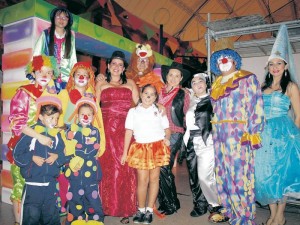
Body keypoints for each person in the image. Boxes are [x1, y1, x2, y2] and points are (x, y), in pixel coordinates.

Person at [210, 48, 264, 225]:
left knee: (239, 175)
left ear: (235, 61)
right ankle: (227, 209)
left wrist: (252, 132)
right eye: (219, 60)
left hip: (238, 134)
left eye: (227, 58)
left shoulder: (247, 78)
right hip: (219, 135)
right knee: (222, 173)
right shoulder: (217, 82)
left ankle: (243, 216)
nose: (223, 62)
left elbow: (256, 105)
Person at [255, 24, 300, 225]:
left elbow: (299, 115)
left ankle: (279, 217)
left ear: (285, 66)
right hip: (264, 135)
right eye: (271, 64)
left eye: (278, 63)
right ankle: (272, 214)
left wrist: (294, 138)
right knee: (264, 175)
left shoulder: (291, 86)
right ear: (268, 67)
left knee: (281, 176)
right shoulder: (262, 87)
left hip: (283, 134)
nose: (275, 67)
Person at [7, 55, 58, 225]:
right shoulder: (23, 92)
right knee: (21, 187)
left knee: (42, 188)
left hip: (45, 149)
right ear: (33, 72)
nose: (45, 75)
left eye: (49, 72)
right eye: (41, 71)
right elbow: (16, 123)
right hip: (24, 147)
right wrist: (39, 137)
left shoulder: (52, 95)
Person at [95, 51, 139, 224]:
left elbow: (140, 104)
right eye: (114, 63)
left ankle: (125, 208)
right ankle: (105, 206)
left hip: (126, 130)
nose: (116, 67)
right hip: (105, 130)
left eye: (120, 64)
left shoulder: (130, 83)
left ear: (123, 68)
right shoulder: (100, 84)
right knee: (106, 168)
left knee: (125, 167)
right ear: (108, 66)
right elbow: (94, 108)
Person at [58, 61, 106, 214]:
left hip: (87, 147)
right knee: (68, 179)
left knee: (88, 183)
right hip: (68, 143)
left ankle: (88, 213)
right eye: (78, 74)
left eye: (85, 75)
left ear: (89, 78)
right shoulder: (64, 94)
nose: (81, 77)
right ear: (72, 76)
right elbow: (58, 121)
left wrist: (100, 145)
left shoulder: (91, 97)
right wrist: (64, 144)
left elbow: (99, 124)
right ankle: (68, 208)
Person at [13, 96, 67, 225]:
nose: (54, 121)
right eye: (51, 117)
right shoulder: (31, 133)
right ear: (41, 117)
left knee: (51, 216)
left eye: (56, 118)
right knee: (31, 216)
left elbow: (63, 154)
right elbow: (17, 154)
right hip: (33, 186)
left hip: (50, 185)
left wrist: (56, 157)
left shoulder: (57, 135)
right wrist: (32, 157)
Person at [121, 84, 171, 224]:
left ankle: (149, 210)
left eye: (152, 94)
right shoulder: (133, 111)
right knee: (142, 180)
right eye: (146, 93)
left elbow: (167, 129)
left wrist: (167, 138)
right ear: (141, 94)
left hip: (157, 147)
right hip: (140, 148)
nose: (148, 96)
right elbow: (128, 131)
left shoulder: (160, 110)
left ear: (156, 97)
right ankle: (141, 209)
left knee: (154, 179)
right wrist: (125, 152)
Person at [183, 73, 228, 223]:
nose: (197, 84)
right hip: (191, 142)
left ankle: (218, 206)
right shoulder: (191, 100)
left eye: (200, 81)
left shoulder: (213, 99)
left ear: (206, 83)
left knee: (205, 176)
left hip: (207, 141)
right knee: (196, 176)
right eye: (194, 82)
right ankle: (205, 204)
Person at [156, 62, 191, 215]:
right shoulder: (159, 92)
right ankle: (164, 201)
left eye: (177, 76)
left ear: (181, 78)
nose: (173, 78)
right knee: (159, 168)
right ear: (166, 76)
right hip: (157, 133)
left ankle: (171, 203)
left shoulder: (184, 93)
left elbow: (188, 115)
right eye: (171, 75)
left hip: (175, 133)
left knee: (165, 166)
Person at [64, 97, 104, 225]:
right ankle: (76, 220)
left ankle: (95, 220)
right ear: (77, 115)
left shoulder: (94, 131)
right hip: (75, 173)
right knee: (75, 197)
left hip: (90, 172)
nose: (85, 117)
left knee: (92, 198)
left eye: (88, 115)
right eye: (82, 114)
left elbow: (94, 149)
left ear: (93, 116)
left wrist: (78, 154)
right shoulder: (71, 130)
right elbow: (68, 147)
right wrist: (73, 156)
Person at [33, 7, 77, 91]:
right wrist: (35, 73)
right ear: (53, 19)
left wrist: (74, 76)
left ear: (68, 21)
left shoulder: (70, 38)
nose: (61, 19)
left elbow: (73, 59)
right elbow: (36, 55)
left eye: (64, 17)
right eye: (58, 16)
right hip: (47, 76)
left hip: (65, 78)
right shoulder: (45, 34)